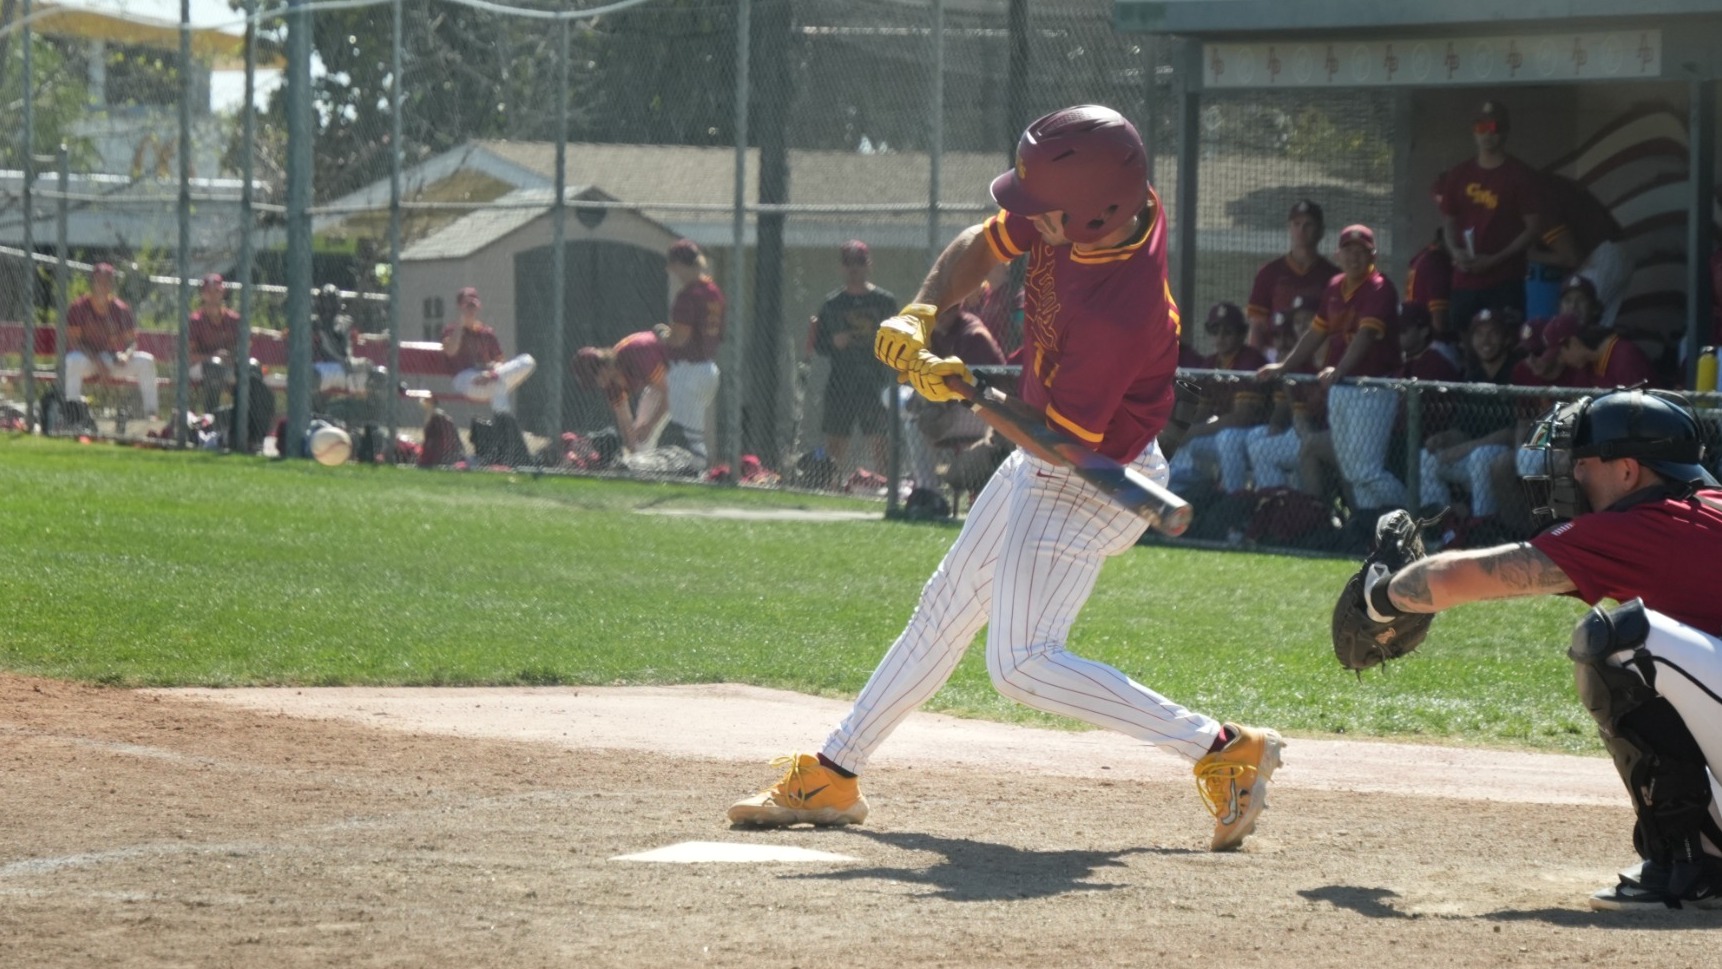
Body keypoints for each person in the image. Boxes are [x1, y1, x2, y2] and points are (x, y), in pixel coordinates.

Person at [726, 105, 1285, 850]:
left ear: (1095, 215)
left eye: (1043, 211)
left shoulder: (1125, 307)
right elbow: (982, 243)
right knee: (946, 605)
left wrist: (962, 389)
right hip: (1050, 453)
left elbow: (1058, 447)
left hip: (1094, 474)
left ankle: (1222, 748)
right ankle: (836, 769)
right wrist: (921, 312)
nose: (1027, 220)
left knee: (1020, 663)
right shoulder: (1089, 210)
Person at [1358, 388, 1722, 910]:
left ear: (1628, 471)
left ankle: (1686, 865)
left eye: (1584, 462)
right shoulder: (1698, 512)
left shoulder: (1647, 526)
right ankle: (1706, 855)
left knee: (1620, 643)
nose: (1573, 475)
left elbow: (1461, 577)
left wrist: (1380, 596)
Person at [1258, 224, 1406, 517]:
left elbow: (1365, 336)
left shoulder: (1379, 287)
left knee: (1366, 471)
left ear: (1372, 254)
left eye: (1361, 251)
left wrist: (1339, 369)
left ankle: (1415, 514)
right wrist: (1284, 365)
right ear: (1338, 254)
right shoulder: (1334, 286)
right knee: (1352, 473)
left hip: (1371, 389)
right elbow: (1316, 333)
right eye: (1348, 251)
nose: (1354, 257)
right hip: (1341, 388)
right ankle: (1372, 531)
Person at [1433, 99, 1545, 327]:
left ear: (1505, 131)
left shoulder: (1520, 175)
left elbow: (1533, 228)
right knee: (1464, 344)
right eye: (1480, 128)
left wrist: (1495, 260)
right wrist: (1455, 251)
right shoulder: (1459, 174)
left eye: (1493, 128)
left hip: (1505, 280)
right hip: (1464, 282)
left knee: (1506, 342)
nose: (1487, 135)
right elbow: (1449, 221)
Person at [812, 240, 898, 477]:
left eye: (859, 263)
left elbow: (900, 340)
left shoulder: (884, 302)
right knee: (836, 441)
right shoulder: (832, 305)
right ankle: (831, 485)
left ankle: (884, 487)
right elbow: (818, 347)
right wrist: (833, 343)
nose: (854, 269)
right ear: (841, 267)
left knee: (880, 439)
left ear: (868, 265)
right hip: (842, 381)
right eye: (849, 264)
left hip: (875, 380)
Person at [1166, 302, 1268, 497]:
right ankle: (1201, 498)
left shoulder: (1250, 360)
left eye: (1227, 332)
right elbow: (1201, 410)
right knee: (1192, 443)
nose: (1220, 338)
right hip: (1228, 432)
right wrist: (1179, 431)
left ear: (1241, 333)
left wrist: (1195, 430)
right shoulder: (1211, 363)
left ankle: (1235, 500)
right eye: (1215, 331)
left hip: (1257, 432)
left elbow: (1242, 417)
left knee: (1226, 438)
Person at [572, 330, 697, 457]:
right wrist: (631, 453)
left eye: (593, 378)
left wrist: (650, 426)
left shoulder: (637, 356)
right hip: (668, 380)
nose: (596, 385)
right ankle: (639, 470)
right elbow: (624, 421)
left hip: (692, 369)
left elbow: (671, 393)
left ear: (602, 368)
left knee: (647, 433)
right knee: (639, 443)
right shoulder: (610, 384)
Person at [64, 262, 159, 421]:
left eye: (107, 281)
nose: (103, 285)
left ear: (112, 285)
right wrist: (97, 361)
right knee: (72, 360)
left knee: (146, 361)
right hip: (88, 360)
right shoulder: (78, 307)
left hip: (111, 360)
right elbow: (74, 342)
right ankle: (72, 414)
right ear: (92, 283)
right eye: (99, 281)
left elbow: (131, 342)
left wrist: (126, 355)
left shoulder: (121, 309)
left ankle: (151, 415)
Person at [1245, 199, 1340, 355]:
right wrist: (1254, 362)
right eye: (1296, 224)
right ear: (1289, 228)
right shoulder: (1269, 272)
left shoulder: (1333, 276)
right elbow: (1257, 325)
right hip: (1275, 352)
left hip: (1316, 354)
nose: (1301, 230)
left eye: (1308, 224)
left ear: (1321, 231)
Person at [663, 239, 724, 463]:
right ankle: (697, 470)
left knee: (688, 435)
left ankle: (695, 472)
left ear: (681, 264)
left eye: (672, 264)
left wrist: (664, 336)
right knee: (694, 431)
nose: (670, 269)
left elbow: (679, 339)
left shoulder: (689, 295)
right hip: (708, 368)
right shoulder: (714, 292)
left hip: (689, 370)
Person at [441, 287, 537, 415]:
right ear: (459, 307)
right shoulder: (451, 331)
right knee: (498, 385)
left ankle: (503, 428)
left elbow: (500, 362)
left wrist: (492, 371)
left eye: (473, 306)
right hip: (464, 379)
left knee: (527, 360)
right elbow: (451, 351)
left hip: (487, 376)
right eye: (467, 306)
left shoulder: (486, 333)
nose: (471, 310)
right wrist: (460, 325)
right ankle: (505, 428)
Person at [1537, 308, 1660, 390]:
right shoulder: (1586, 367)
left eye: (1560, 354)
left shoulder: (1625, 357)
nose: (1561, 361)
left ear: (1574, 342)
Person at [187, 273, 246, 414]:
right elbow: (189, 357)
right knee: (214, 367)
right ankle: (210, 418)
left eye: (217, 291)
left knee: (252, 372)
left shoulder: (234, 319)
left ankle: (242, 420)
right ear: (202, 294)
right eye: (208, 292)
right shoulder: (195, 320)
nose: (213, 296)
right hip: (197, 369)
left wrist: (232, 356)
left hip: (228, 367)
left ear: (223, 292)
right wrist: (213, 357)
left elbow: (243, 350)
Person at [1403, 228, 1455, 341]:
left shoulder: (1422, 256)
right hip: (1427, 339)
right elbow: (1439, 320)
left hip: (1411, 332)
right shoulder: (1438, 260)